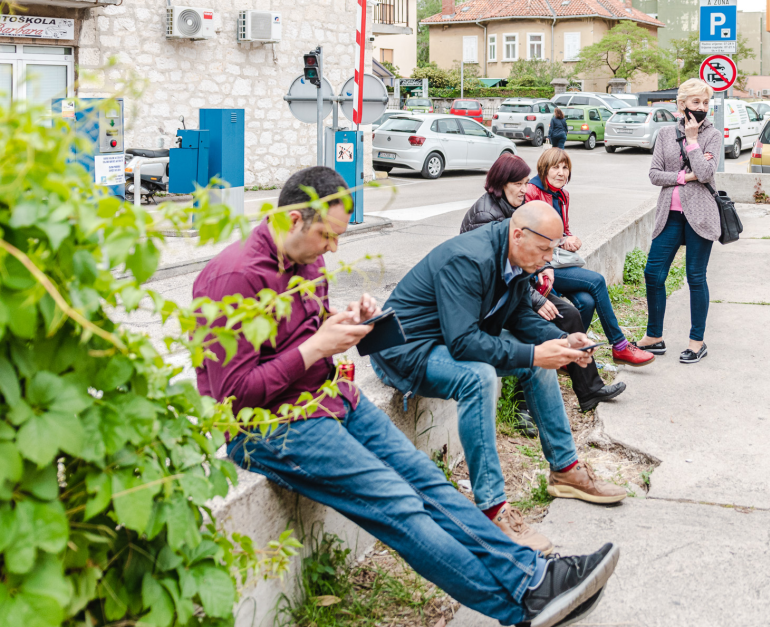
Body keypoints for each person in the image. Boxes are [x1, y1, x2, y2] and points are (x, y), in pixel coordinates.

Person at [194, 167, 618, 627]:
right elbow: (233, 396)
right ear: (294, 220)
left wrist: (346, 320)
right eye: (327, 236)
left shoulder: (307, 259)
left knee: (429, 484)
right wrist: (316, 346)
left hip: (331, 399)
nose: (333, 249)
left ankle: (532, 578)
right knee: (398, 504)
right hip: (272, 427)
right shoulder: (231, 278)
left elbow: (294, 333)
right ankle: (519, 606)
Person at [372, 200, 628, 556]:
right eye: (544, 250)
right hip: (405, 348)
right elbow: (463, 344)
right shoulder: (469, 258)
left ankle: (566, 470)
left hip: (449, 338)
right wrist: (536, 352)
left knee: (537, 359)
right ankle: (492, 512)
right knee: (480, 377)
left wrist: (560, 341)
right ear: (518, 234)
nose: (548, 259)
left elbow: (520, 314)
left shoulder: (518, 255)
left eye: (552, 250)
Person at [462, 153, 627, 422]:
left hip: (517, 291)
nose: (525, 189)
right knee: (545, 321)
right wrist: (537, 301)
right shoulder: (486, 216)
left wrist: (542, 270)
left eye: (527, 183)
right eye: (519, 183)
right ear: (502, 182)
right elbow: (495, 274)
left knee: (571, 313)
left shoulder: (511, 207)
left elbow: (524, 257)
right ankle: (522, 406)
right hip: (495, 301)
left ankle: (590, 391)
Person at [523, 148, 655, 366]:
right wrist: (560, 240)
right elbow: (530, 234)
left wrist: (570, 238)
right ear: (544, 168)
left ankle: (570, 355)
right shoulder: (532, 192)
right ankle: (620, 345)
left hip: (557, 262)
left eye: (565, 168)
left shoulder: (563, 195)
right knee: (597, 280)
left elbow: (563, 229)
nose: (561, 173)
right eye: (555, 167)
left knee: (586, 301)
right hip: (540, 266)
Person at [635, 78, 721, 364]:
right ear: (682, 103)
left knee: (695, 277)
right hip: (669, 216)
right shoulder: (663, 135)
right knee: (653, 273)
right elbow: (654, 175)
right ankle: (654, 336)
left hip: (701, 215)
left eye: (706, 103)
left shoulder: (713, 136)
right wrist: (684, 177)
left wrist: (693, 141)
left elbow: (707, 173)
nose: (702, 108)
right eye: (696, 102)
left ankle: (697, 342)